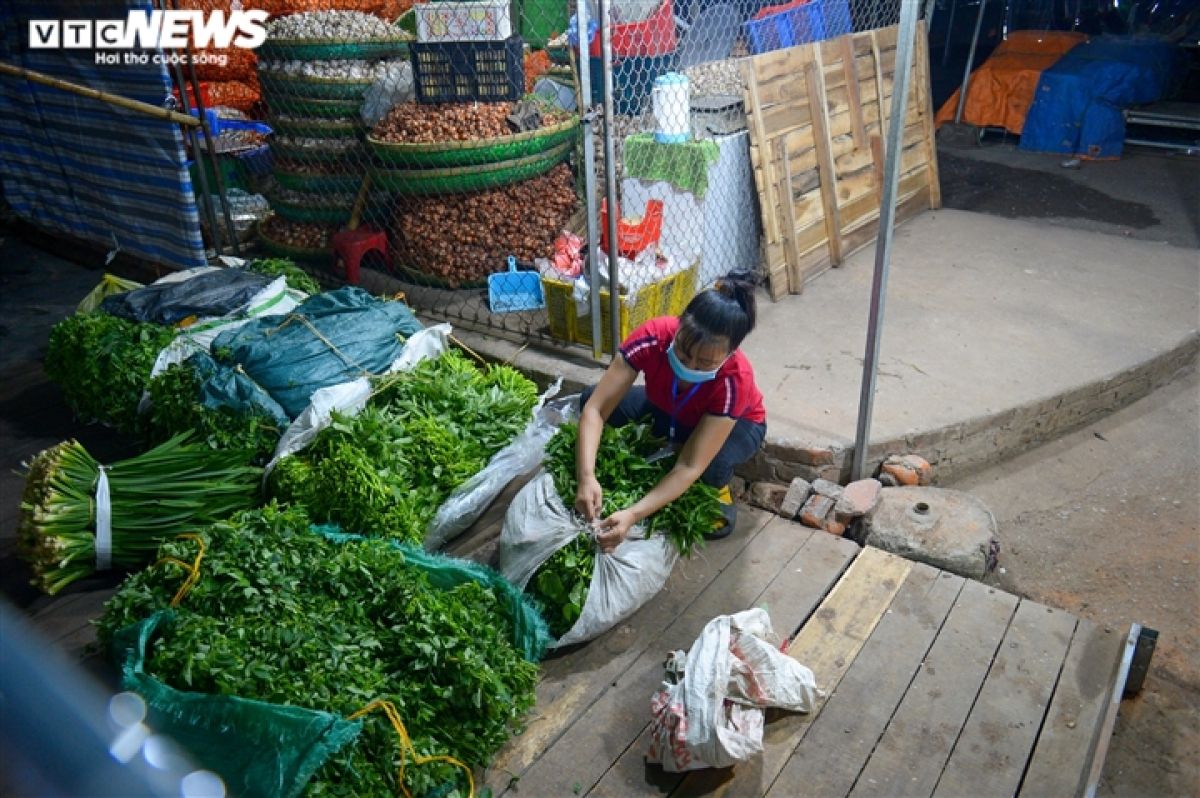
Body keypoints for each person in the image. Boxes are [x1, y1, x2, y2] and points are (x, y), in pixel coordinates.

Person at [575, 271, 767, 554]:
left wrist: (633, 514)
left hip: (739, 425)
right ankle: (673, 442)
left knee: (708, 466)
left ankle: (719, 488)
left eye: (704, 363)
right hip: (668, 408)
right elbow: (596, 410)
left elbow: (689, 466)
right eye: (682, 351)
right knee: (591, 397)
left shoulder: (734, 381)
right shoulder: (653, 338)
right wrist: (586, 476)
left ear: (730, 354)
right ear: (677, 328)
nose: (689, 366)